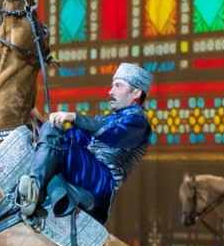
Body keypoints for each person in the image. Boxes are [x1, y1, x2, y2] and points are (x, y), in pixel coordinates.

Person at [16, 62, 153, 223]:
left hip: (99, 180)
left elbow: (114, 134)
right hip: (88, 171)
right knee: (41, 138)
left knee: (51, 137)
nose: (110, 91)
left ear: (136, 93)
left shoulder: (139, 123)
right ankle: (53, 193)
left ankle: (34, 190)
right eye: (112, 86)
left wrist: (74, 118)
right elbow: (74, 138)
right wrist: (42, 123)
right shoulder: (106, 119)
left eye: (118, 86)